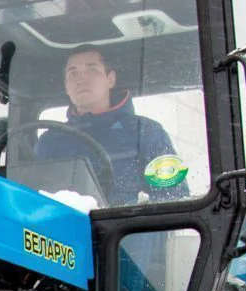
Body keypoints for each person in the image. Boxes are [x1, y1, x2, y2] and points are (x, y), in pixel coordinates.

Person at [33, 45, 181, 205]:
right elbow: (34, 202)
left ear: (110, 79)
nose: (81, 79)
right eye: (73, 73)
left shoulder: (146, 132)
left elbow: (173, 198)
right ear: (66, 86)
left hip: (127, 228)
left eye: (92, 70)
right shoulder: (49, 142)